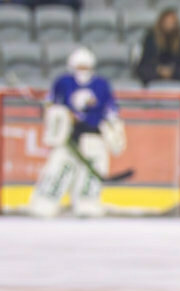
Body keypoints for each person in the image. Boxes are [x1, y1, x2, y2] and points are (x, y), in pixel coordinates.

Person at [29, 47, 126, 218]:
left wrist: (113, 129)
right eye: (79, 67)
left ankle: (86, 202)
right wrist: (59, 116)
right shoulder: (63, 82)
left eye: (85, 67)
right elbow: (50, 104)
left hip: (93, 135)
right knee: (58, 168)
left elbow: (111, 110)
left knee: (93, 170)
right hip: (69, 137)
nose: (82, 71)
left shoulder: (101, 84)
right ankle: (46, 201)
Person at [136, 8, 180, 85]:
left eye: (172, 22)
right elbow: (147, 58)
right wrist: (159, 69)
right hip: (155, 68)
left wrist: (171, 70)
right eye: (167, 21)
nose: (170, 24)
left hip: (173, 70)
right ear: (161, 22)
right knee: (144, 70)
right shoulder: (151, 36)